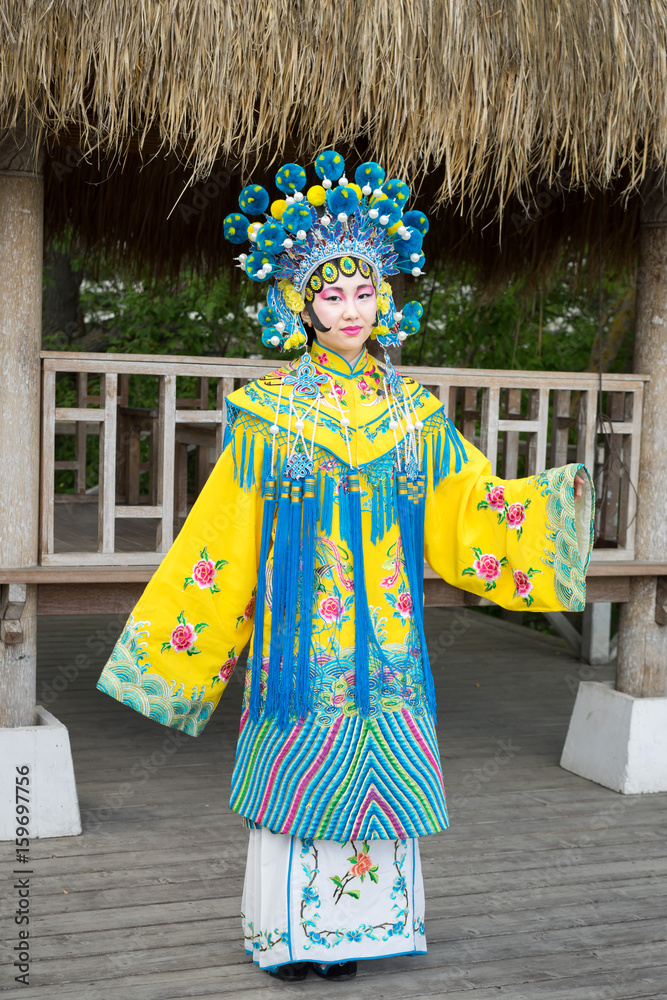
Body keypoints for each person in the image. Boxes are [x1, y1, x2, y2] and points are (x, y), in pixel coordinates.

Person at [96, 152, 593, 982]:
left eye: (364, 291)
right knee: (299, 778)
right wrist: (178, 652)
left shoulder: (412, 412)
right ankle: (286, 937)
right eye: (332, 293)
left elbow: (472, 506)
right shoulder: (268, 411)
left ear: (386, 299)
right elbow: (220, 534)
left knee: (378, 768)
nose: (351, 308)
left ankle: (362, 937)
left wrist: (556, 505)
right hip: (300, 645)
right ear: (300, 304)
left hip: (389, 636)